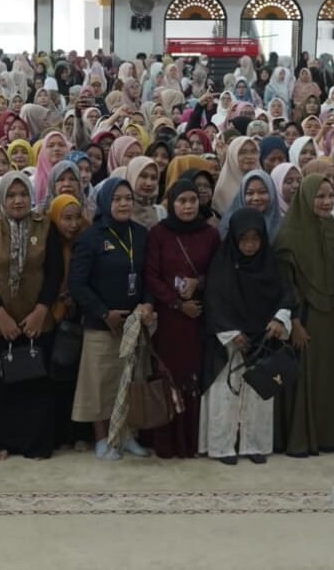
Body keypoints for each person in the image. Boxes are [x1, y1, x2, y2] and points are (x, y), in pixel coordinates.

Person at [0, 172, 64, 459]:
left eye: (23, 194)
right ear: (1, 199)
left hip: (38, 321)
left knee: (35, 385)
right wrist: (0, 315)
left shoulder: (47, 227)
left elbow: (55, 272)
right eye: (11, 195)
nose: (18, 200)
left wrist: (40, 311)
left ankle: (35, 443)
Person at [200, 207, 293, 464]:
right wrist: (231, 334)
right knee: (225, 394)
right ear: (234, 238)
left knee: (258, 395)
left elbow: (286, 294)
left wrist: (279, 319)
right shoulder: (223, 262)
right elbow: (214, 301)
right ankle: (222, 446)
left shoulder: (270, 263)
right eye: (244, 239)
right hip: (230, 342)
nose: (250, 245)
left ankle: (254, 445)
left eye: (255, 239)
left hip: (262, 341)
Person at [70, 178, 154, 461]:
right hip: (101, 323)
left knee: (130, 379)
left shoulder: (141, 234)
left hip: (133, 323)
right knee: (100, 383)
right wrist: (104, 313)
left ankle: (128, 435)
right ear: (106, 201)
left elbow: (149, 275)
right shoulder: (92, 237)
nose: (123, 203)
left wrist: (147, 304)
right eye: (117, 199)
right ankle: (102, 438)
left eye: (127, 198)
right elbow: (77, 283)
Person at [141, 180, 219, 458]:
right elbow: (151, 275)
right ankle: (165, 441)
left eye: (193, 200)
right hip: (169, 319)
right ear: (171, 203)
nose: (188, 206)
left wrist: (199, 283)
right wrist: (175, 303)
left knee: (192, 377)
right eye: (182, 201)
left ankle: (190, 440)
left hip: (197, 317)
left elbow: (218, 272)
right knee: (168, 376)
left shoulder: (210, 234)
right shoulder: (159, 233)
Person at [274, 173, 334, 457]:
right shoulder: (289, 234)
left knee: (328, 376)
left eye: (331, 196)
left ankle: (328, 436)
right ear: (306, 197)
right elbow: (285, 284)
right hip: (304, 318)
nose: (327, 202)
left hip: (331, 316)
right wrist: (294, 322)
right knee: (306, 376)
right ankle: (302, 439)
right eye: (320, 196)